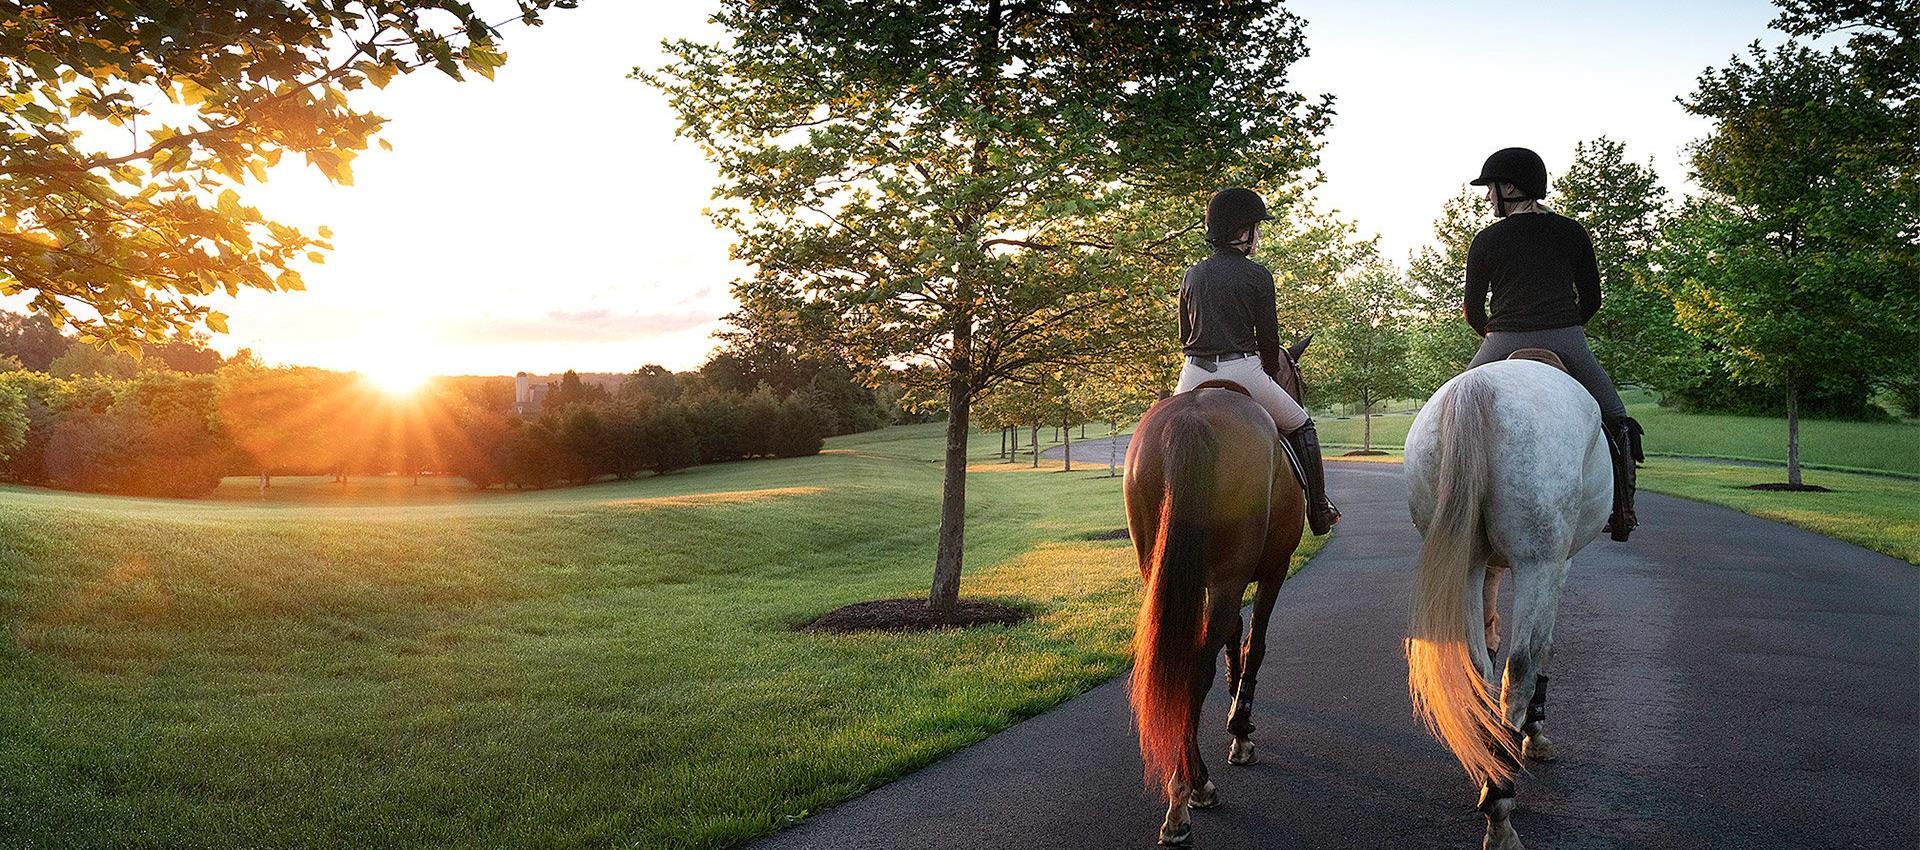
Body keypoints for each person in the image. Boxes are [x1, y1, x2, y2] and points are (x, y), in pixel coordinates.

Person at [1463, 147, 1643, 540]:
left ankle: (1442, 507)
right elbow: (1592, 299)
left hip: (1501, 339)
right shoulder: (1573, 232)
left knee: (1451, 412)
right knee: (1615, 416)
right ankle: (1623, 511)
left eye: (1490, 188)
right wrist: (1565, 328)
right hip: (1566, 338)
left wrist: (1498, 335)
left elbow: (1472, 310)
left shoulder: (1487, 239)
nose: (1487, 196)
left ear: (1509, 187)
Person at [1175, 187, 1339, 535]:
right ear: (1242, 231)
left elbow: (1184, 334)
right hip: (1243, 369)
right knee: (1302, 424)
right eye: (1256, 228)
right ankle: (1319, 510)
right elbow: (1269, 341)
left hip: (1192, 372)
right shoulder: (1257, 275)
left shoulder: (1192, 275)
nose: (1259, 235)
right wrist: (1267, 368)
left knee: (1166, 430)